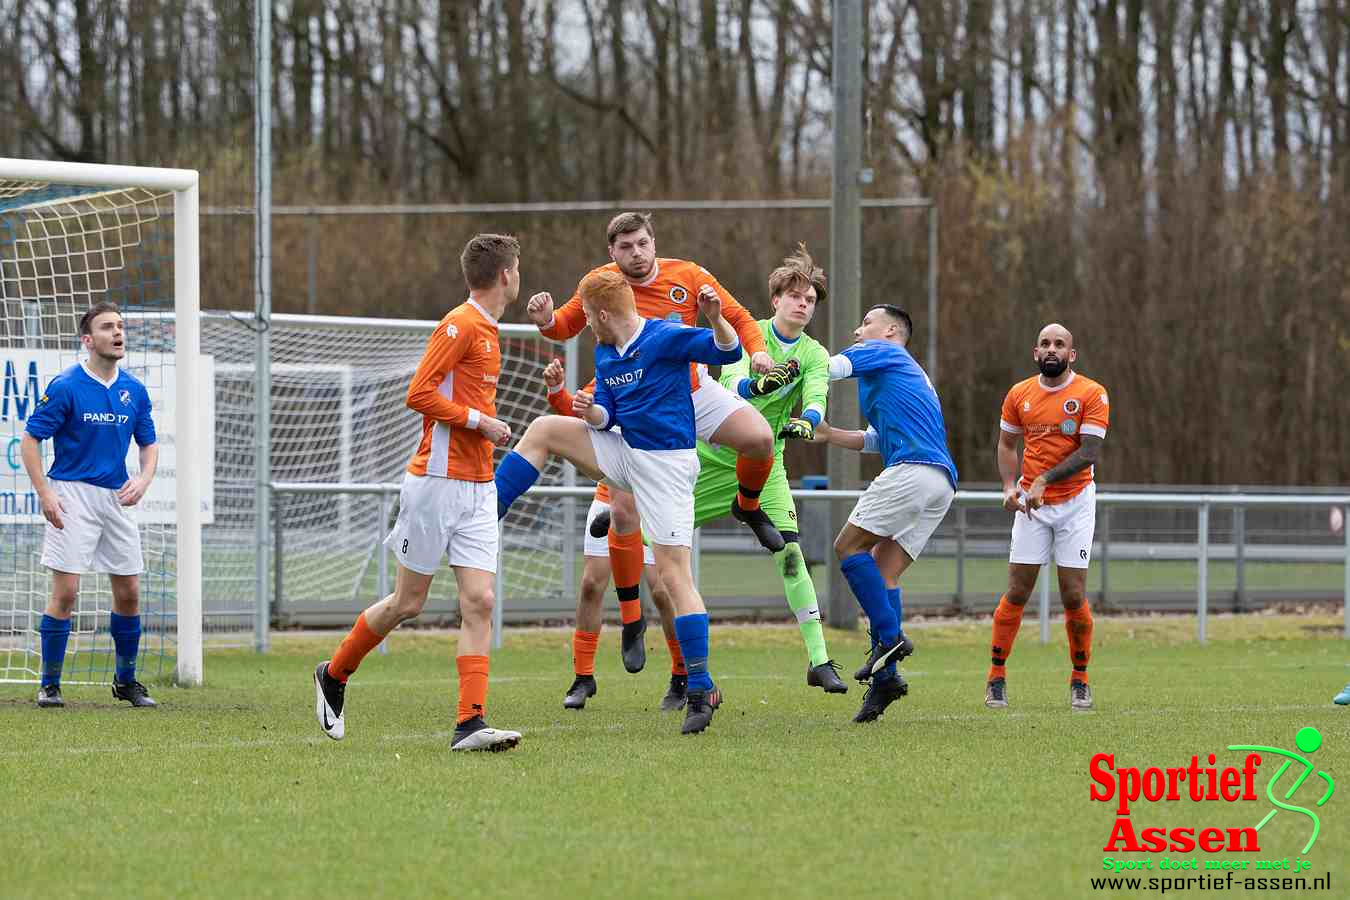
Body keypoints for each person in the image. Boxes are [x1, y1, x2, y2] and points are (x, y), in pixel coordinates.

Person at [526, 212, 791, 675]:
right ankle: (632, 621)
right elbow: (566, 325)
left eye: (642, 243)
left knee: (759, 438)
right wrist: (547, 320)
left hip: (689, 390)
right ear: (612, 253)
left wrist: (760, 351)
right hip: (633, 402)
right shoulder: (600, 285)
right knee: (624, 516)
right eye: (625, 246)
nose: (636, 253)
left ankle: (747, 505)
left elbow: (737, 318)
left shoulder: (688, 275)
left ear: (654, 243)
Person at [496, 270, 741, 734]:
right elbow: (608, 414)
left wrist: (716, 319)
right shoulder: (606, 352)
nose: (586, 324)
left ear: (604, 313)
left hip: (667, 465)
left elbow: (729, 351)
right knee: (545, 429)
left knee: (672, 576)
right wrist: (592, 412)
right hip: (625, 454)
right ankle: (488, 510)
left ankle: (701, 686)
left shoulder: (664, 336)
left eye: (588, 316)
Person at [313, 234, 523, 752]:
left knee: (481, 600)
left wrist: (486, 432)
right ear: (505, 276)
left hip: (478, 488)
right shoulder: (461, 324)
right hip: (435, 484)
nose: (519, 277)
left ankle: (469, 723)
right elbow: (419, 394)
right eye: (517, 269)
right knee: (409, 602)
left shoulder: (491, 332)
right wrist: (483, 422)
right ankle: (334, 674)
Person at [687, 244, 845, 693]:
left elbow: (817, 394)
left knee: (791, 555)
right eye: (794, 295)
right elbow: (728, 382)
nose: (802, 303)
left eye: (810, 299)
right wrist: (758, 384)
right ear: (775, 300)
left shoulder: (814, 353)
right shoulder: (749, 332)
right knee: (656, 543)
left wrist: (808, 421)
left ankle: (819, 659)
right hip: (712, 457)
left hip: (766, 461)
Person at [820, 304, 958, 724]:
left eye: (865, 323)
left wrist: (781, 370)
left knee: (847, 547)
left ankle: (890, 639)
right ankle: (887, 681)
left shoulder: (887, 352)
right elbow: (877, 440)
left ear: (892, 330)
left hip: (912, 471)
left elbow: (828, 367)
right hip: (940, 482)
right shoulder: (907, 373)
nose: (857, 329)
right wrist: (827, 434)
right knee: (884, 574)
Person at [20, 302, 160, 709]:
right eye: (107, 327)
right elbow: (31, 441)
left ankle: (126, 680)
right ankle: (49, 684)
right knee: (66, 592)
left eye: (120, 326)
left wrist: (145, 478)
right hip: (72, 494)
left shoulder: (134, 389)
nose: (117, 333)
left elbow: (148, 443)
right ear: (88, 340)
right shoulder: (66, 386)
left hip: (116, 497)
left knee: (130, 591)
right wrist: (45, 493)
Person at [538, 359, 688, 711]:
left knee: (665, 592)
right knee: (591, 583)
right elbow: (577, 416)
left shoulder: (670, 376)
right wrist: (558, 391)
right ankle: (583, 677)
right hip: (610, 495)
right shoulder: (612, 372)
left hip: (652, 500)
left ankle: (681, 677)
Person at [986, 323, 1109, 712]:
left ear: (1072, 355)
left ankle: (1080, 680)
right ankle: (996, 678)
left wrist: (1043, 480)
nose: (1051, 349)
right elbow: (1007, 444)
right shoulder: (1019, 394)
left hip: (1075, 501)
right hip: (1031, 504)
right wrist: (1010, 487)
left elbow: (1089, 452)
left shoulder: (1092, 393)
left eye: (1060, 344)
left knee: (1073, 593)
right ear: (1035, 352)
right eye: (1045, 343)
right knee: (1018, 591)